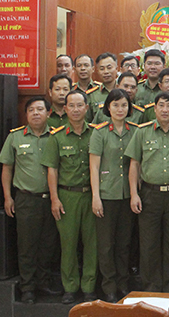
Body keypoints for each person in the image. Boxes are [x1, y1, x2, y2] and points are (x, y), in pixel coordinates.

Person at [125, 92, 169, 292]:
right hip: (149, 194)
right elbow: (134, 164)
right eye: (161, 105)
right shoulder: (142, 132)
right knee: (149, 243)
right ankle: (151, 287)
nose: (165, 110)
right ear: (154, 108)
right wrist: (134, 194)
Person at [0, 97, 60, 304]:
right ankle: (27, 288)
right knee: (27, 245)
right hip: (26, 199)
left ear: (48, 113)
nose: (35, 113)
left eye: (40, 109)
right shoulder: (15, 137)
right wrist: (7, 197)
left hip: (52, 199)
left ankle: (43, 282)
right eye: (31, 110)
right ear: (26, 114)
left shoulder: (56, 136)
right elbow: (7, 168)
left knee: (48, 244)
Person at [41, 90, 97, 304]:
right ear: (65, 109)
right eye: (71, 106)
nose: (75, 109)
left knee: (92, 244)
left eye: (79, 105)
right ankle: (70, 287)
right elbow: (52, 170)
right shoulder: (57, 137)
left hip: (91, 195)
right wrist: (54, 199)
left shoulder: (96, 134)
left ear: (86, 108)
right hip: (67, 196)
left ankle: (89, 287)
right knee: (68, 244)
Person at [89, 89, 137, 302]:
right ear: (108, 107)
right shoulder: (99, 132)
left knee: (124, 244)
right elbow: (94, 167)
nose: (120, 109)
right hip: (106, 195)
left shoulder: (135, 131)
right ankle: (108, 286)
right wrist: (96, 196)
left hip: (127, 195)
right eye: (115, 105)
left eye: (124, 105)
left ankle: (123, 284)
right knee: (106, 245)